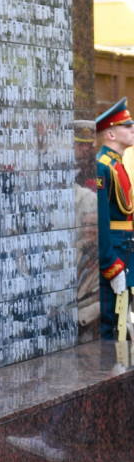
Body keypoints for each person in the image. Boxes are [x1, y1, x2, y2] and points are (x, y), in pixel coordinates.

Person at [95, 97, 134, 339]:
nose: (132, 129)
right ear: (110, 134)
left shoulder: (117, 164)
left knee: (122, 323)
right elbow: (100, 221)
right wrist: (111, 265)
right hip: (115, 257)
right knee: (111, 327)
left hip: (125, 252)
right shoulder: (103, 167)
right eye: (127, 126)